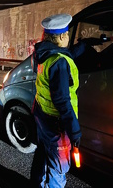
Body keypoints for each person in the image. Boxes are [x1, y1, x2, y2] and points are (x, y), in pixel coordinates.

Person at [30, 14, 85, 188]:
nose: (68, 37)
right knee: (58, 167)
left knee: (43, 154)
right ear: (61, 36)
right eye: (67, 34)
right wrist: (75, 131)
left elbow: (62, 54)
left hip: (42, 116)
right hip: (56, 125)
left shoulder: (42, 54)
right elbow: (62, 101)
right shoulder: (60, 63)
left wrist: (82, 47)